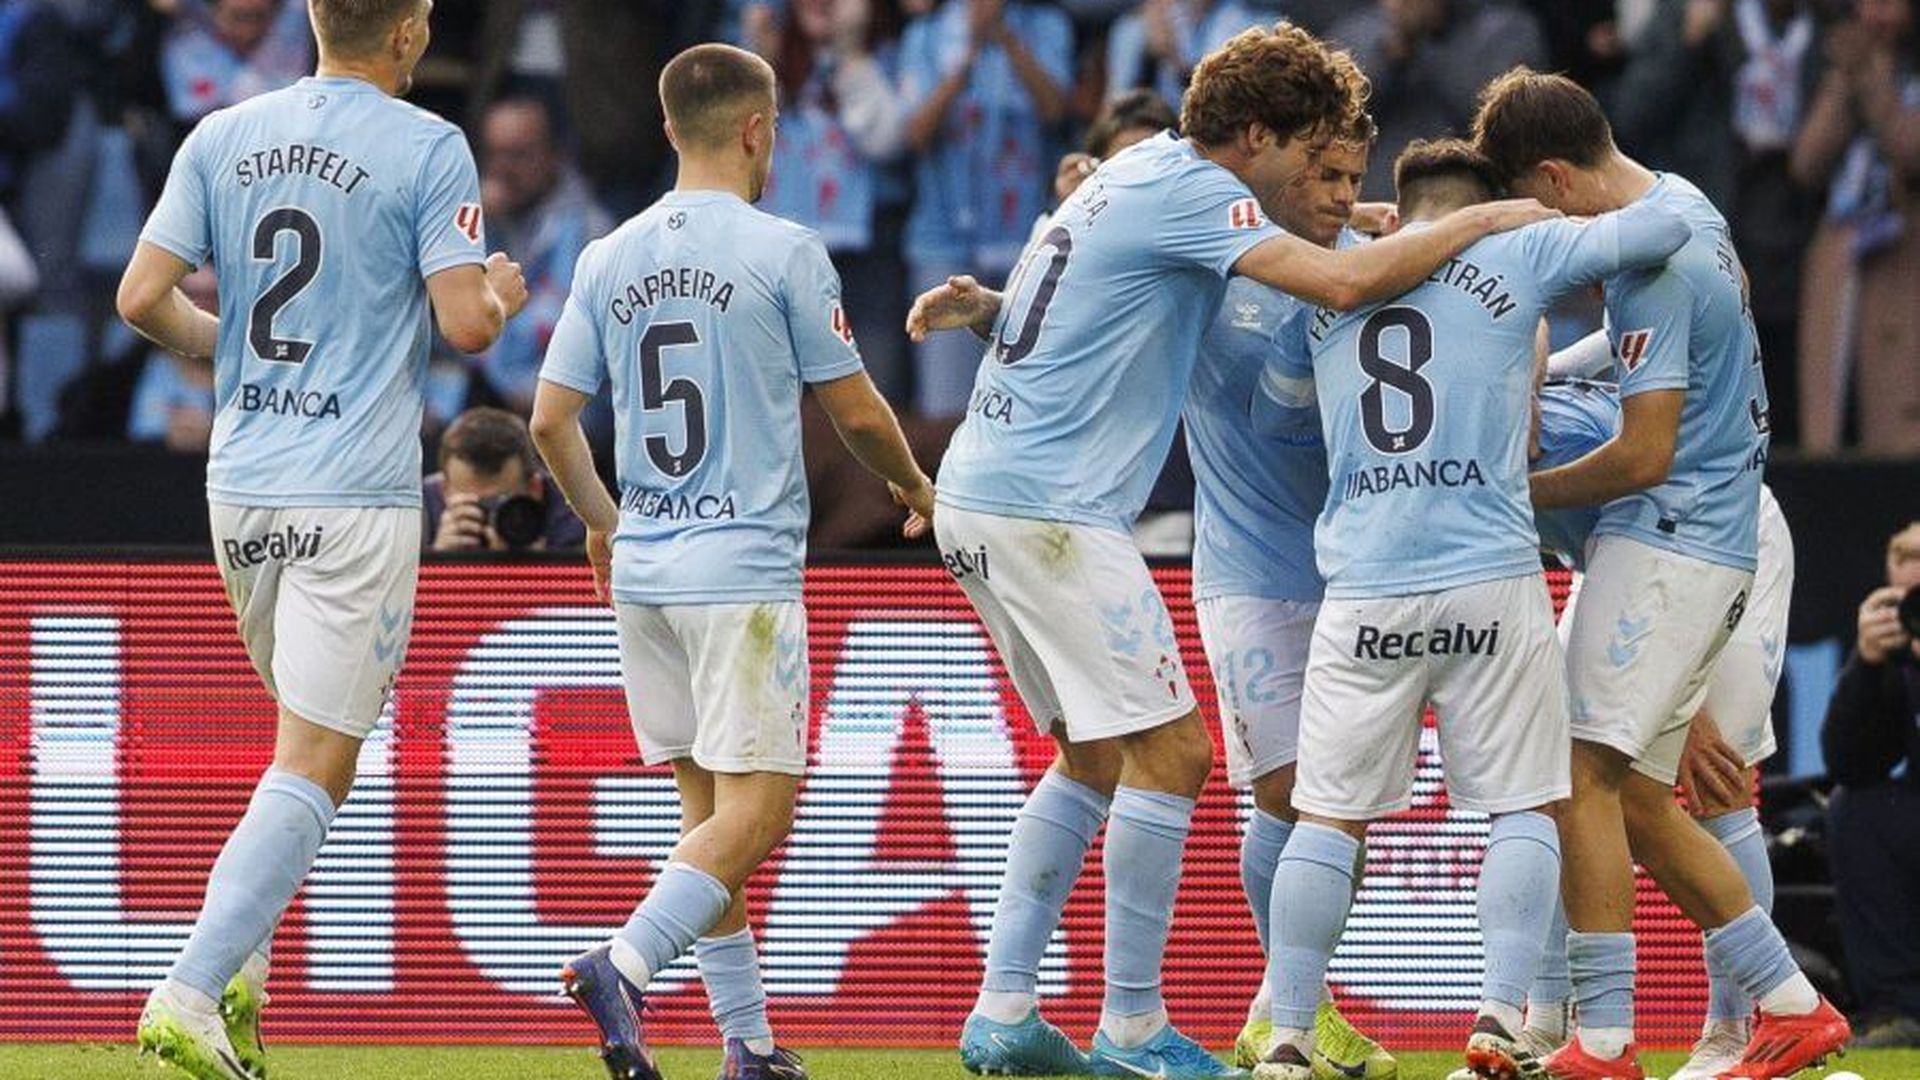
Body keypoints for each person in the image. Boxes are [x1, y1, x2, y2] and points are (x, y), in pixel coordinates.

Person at [907, 23, 1556, 1078]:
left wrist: (985, 310)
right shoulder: (1197, 195)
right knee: (1176, 757)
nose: (1324, 183)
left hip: (982, 491)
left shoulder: (1132, 178)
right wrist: (1483, 216)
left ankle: (1006, 1009)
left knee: (1087, 756)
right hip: (1054, 513)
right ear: (1255, 135)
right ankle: (1132, 1031)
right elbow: (1342, 287)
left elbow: (1085, 302)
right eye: (1312, 160)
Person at [114, 0, 528, 1077]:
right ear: (405, 36)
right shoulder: (428, 145)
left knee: (303, 754)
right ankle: (190, 993)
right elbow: (468, 326)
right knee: (317, 758)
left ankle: (239, 988)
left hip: (242, 487)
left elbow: (141, 298)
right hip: (353, 494)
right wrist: (502, 290)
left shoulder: (222, 132)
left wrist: (237, 358)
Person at [529, 42, 936, 1080]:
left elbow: (549, 420)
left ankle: (747, 1045)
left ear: (669, 129)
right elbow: (852, 407)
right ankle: (623, 961)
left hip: (649, 572)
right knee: (757, 813)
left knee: (708, 823)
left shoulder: (605, 254)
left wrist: (601, 518)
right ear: (759, 129)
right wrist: (915, 485)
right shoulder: (783, 248)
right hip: (741, 572)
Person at [1247, 138, 1688, 1080]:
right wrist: (1546, 214)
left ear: (1397, 207)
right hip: (1491, 577)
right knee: (1523, 805)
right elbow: (1668, 222)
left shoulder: (1326, 284)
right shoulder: (1514, 251)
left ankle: (1285, 1035)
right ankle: (1497, 1021)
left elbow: (1274, 418)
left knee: (1327, 819)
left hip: (1364, 588)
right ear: (1481, 201)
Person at [1472, 67, 1848, 1080]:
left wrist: (1513, 490)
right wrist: (1567, 370)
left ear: (1553, 175)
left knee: (1591, 780)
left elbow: (1642, 456)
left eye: (1537, 210)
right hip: (1693, 534)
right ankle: (1772, 1007)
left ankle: (1620, 1037)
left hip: (1676, 537)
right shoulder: (1686, 201)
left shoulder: (1652, 270)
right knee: (1624, 793)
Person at [1185, 105, 1396, 1079]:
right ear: (1276, 165)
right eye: (1329, 177)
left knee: (1339, 799)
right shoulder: (1210, 256)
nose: (1344, 198)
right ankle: (1286, 1008)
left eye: (1357, 179)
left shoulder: (1368, 257)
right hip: (1249, 567)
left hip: (1358, 567)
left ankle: (1287, 1010)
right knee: (1282, 791)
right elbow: (1276, 423)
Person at [1519, 366, 1798, 1080]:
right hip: (1614, 554)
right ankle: (1543, 1027)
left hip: (1720, 535)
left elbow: (1671, 574)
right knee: (1563, 778)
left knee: (1714, 782)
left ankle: (1736, 1031)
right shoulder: (1462, 446)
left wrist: (1686, 701)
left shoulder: (1570, 437)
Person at [897, 0, 1073, 416]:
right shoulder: (924, 35)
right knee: (946, 411)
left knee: (1027, 405)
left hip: (1027, 243)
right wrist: (969, 55)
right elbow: (915, 134)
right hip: (942, 244)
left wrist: (1007, 41)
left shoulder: (1047, 24)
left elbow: (1055, 111)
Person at [1789, 0, 1920, 454]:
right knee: (1831, 428)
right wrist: (1847, 81)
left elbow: (1909, 149)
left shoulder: (1882, 71)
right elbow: (1807, 162)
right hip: (1843, 263)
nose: (1874, 16)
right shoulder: (1851, 68)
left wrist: (1869, 77)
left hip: (1905, 264)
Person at [1822, 521, 1920, 1050]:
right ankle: (1900, 1011)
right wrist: (1867, 665)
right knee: (1855, 809)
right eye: (1901, 600)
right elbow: (1849, 763)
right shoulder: (1899, 659)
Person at [473, 96, 614, 415]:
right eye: (494, 154)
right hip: (492, 397)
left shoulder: (591, 230)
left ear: (555, 155)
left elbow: (573, 340)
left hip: (569, 409)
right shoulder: (484, 217)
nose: (502, 169)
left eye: (518, 154)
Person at [425, 406, 585, 552]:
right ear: (443, 489)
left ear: (535, 488)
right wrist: (437, 560)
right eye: (477, 505)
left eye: (499, 503)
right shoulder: (418, 510)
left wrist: (538, 564)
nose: (490, 518)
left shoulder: (574, 510)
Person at [161, 0, 313, 125]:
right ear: (216, 13)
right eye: (239, 17)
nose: (247, 31)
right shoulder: (189, 41)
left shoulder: (297, 16)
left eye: (256, 17)